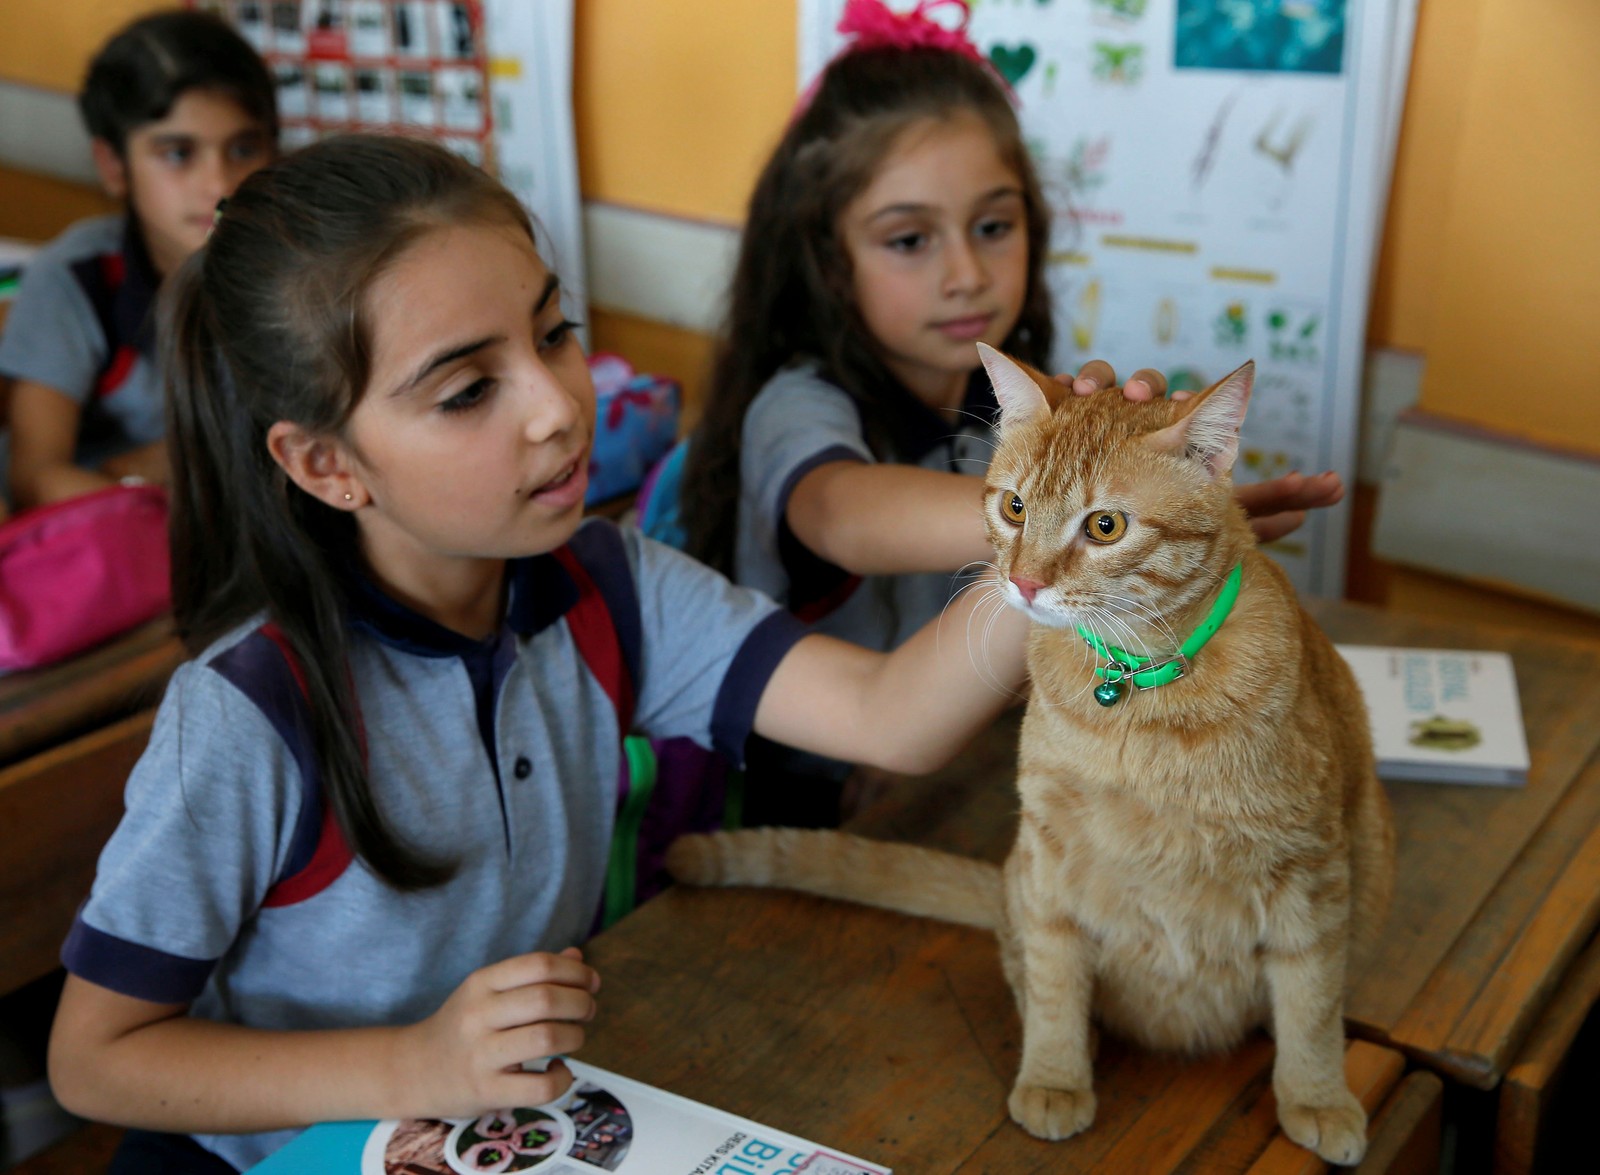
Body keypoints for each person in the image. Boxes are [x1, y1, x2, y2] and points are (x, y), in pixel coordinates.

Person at [43, 134, 1031, 1175]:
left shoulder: (606, 584)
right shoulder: (251, 709)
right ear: (327, 464)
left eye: (552, 334)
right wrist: (410, 1063)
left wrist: (1065, 529)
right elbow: (96, 1058)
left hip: (500, 1138)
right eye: (468, 390)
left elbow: (890, 715)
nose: (558, 406)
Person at [677, 0, 1343, 825]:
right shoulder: (798, 402)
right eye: (909, 239)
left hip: (975, 753)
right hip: (817, 790)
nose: (966, 272)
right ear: (824, 260)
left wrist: (1156, 520)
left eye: (994, 225)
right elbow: (841, 515)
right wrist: (1092, 522)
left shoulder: (1025, 405)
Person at [0, 9, 277, 511]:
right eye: (178, 154)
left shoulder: (297, 268)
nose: (220, 185)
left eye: (243, 148)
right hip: (117, 536)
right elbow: (35, 480)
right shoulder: (74, 281)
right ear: (114, 166)